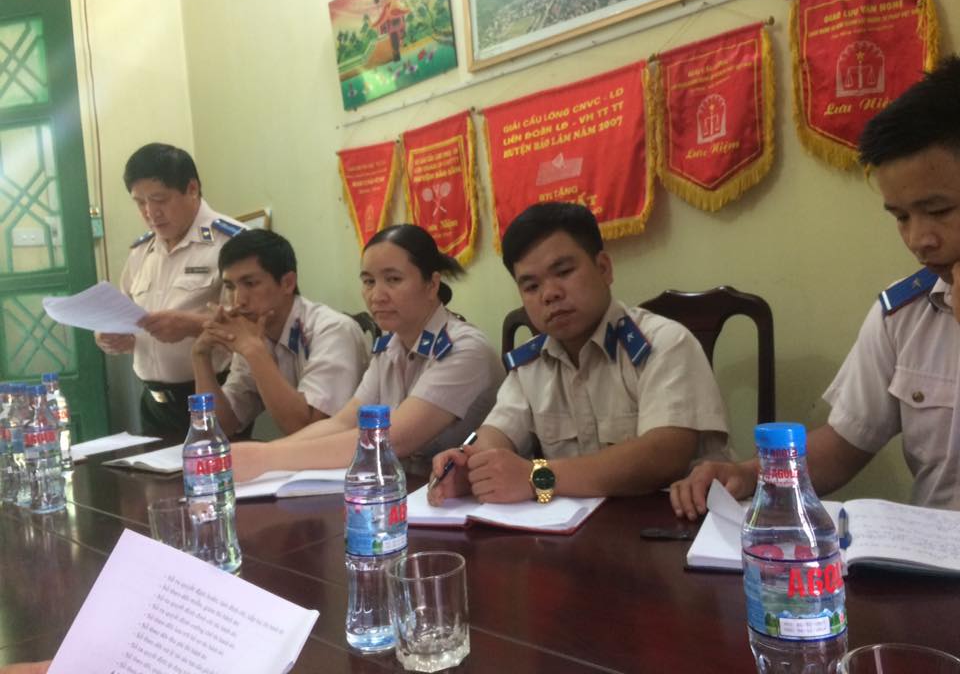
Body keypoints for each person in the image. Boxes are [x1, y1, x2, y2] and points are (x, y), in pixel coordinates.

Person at [670, 55, 960, 519]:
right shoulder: (904, 312)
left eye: (939, 211)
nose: (918, 239)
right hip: (934, 554)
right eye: (901, 217)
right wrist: (749, 475)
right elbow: (843, 446)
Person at [428, 202, 729, 506]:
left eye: (564, 272)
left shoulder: (664, 343)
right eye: (531, 286)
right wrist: (470, 466)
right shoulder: (530, 365)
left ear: (604, 268)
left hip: (677, 522)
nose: (549, 294)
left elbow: (664, 456)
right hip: (581, 528)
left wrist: (537, 478)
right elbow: (497, 434)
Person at [230, 224, 504, 480]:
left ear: (432, 284)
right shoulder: (390, 347)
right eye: (369, 281)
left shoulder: (465, 349)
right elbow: (343, 423)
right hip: (408, 489)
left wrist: (266, 458)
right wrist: (262, 455)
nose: (376, 295)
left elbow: (393, 438)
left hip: (466, 497)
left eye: (393, 279)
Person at [95, 143, 243, 439]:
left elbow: (252, 325)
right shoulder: (142, 251)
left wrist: (191, 326)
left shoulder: (232, 243)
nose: (151, 213)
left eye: (159, 199)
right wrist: (113, 335)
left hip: (210, 398)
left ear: (192, 189)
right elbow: (124, 312)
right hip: (153, 405)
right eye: (140, 203)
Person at [192, 229, 369, 437]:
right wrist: (200, 356)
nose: (238, 300)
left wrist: (254, 352)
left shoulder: (333, 330)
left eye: (250, 284)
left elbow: (308, 431)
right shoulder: (253, 334)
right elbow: (219, 426)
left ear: (287, 283)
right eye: (230, 287)